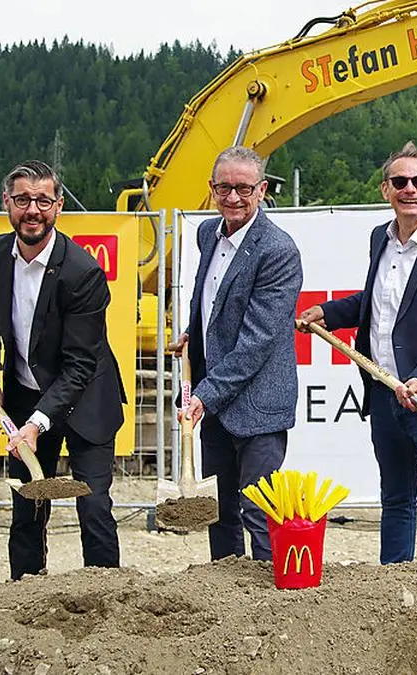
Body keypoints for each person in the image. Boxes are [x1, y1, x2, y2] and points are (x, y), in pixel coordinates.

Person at [298, 141, 417, 565]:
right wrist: (328, 312)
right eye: (400, 182)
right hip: (385, 394)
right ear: (385, 190)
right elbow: (380, 301)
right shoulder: (377, 240)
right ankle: (392, 590)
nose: (410, 190)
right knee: (396, 500)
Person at [0, 159, 126, 581]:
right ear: (6, 202)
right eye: (22, 200)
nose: (32, 210)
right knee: (28, 503)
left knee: (92, 504)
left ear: (58, 206)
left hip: (87, 397)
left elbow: (79, 364)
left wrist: (37, 424)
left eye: (42, 200)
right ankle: (26, 591)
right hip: (25, 394)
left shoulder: (83, 272)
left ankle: (107, 595)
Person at [171, 146, 303, 562]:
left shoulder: (278, 250)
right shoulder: (207, 233)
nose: (233, 198)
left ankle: (269, 603)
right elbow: (210, 300)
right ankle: (226, 597)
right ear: (211, 189)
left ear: (262, 190)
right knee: (220, 511)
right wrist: (193, 333)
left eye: (243, 189)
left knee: (258, 510)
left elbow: (257, 341)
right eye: (224, 188)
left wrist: (204, 396)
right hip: (214, 399)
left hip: (259, 403)